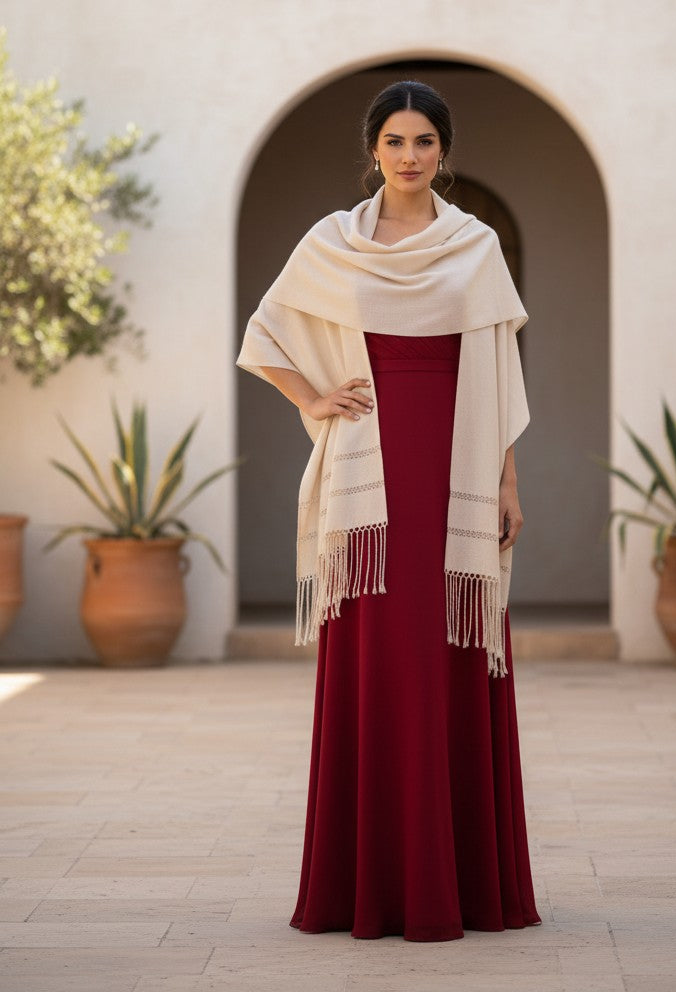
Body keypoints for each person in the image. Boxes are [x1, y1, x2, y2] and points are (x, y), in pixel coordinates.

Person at [236, 80, 542, 941]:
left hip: (456, 464)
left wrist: (509, 483)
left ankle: (467, 887)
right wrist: (316, 394)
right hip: (368, 481)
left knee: (447, 652)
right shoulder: (333, 244)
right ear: (372, 149)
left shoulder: (475, 245)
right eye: (395, 141)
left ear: (445, 151)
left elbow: (496, 370)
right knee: (380, 661)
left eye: (425, 142)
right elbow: (265, 334)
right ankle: (360, 885)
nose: (410, 156)